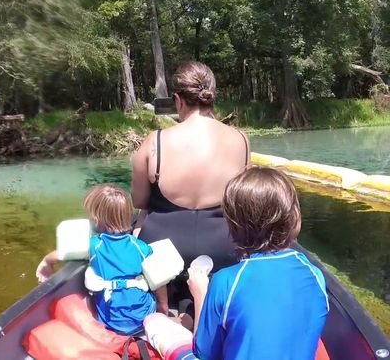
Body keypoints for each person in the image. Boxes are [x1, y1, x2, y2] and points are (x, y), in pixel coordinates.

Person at [131, 61, 250, 314]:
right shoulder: (241, 140)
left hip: (162, 253)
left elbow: (139, 200)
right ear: (211, 97)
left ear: (178, 99)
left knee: (140, 220)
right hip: (223, 250)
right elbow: (245, 201)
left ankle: (167, 305)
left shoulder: (156, 141)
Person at [187, 166, 328, 360]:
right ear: (295, 218)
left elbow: (204, 353)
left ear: (232, 227)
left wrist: (200, 294)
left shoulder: (225, 282)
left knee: (157, 323)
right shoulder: (314, 274)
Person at [36, 184, 156, 335]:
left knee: (84, 302)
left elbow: (62, 253)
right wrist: (163, 308)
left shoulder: (94, 246)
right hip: (143, 318)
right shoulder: (140, 247)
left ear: (96, 219)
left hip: (111, 322)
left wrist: (46, 263)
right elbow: (158, 276)